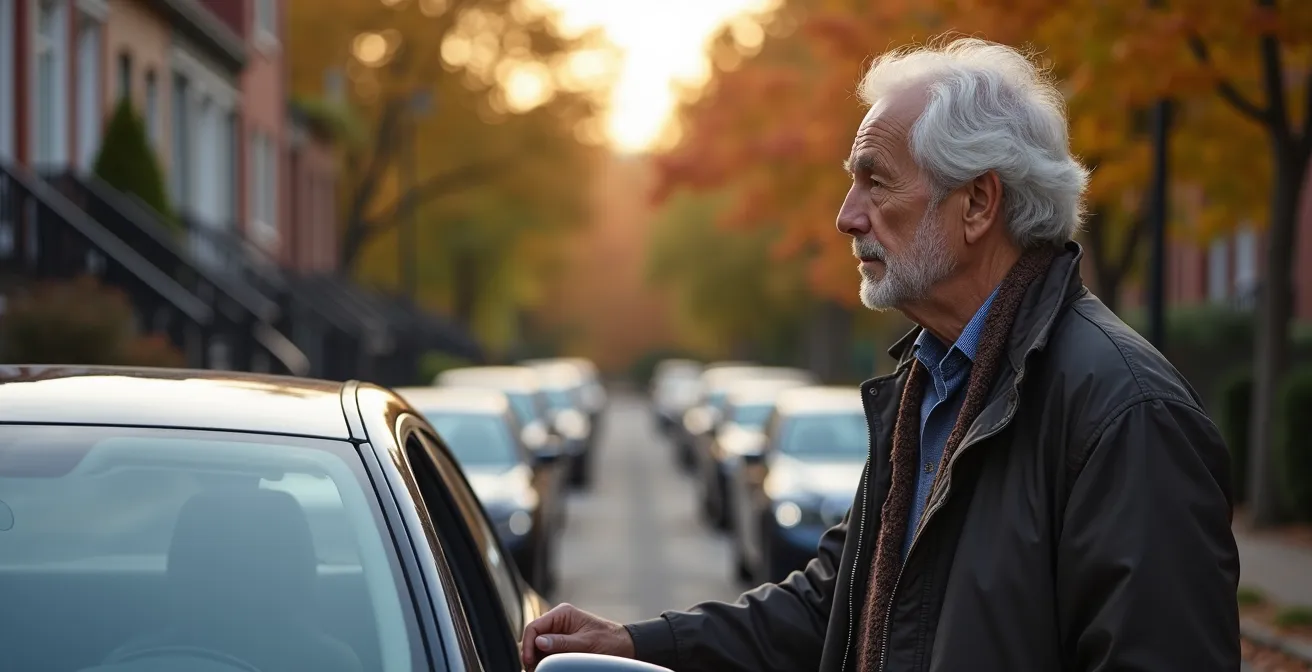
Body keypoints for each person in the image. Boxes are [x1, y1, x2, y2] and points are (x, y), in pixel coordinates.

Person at [522, 36, 1240, 672]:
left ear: (978, 204)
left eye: (876, 179)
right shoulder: (929, 383)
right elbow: (833, 605)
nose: (846, 215)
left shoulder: (1125, 412)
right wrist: (637, 645)